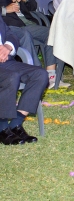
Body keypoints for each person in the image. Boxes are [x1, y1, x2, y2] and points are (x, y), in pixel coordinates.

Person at [0, 0, 63, 89]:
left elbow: (33, 5)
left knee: (52, 32)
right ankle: (36, 74)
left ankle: (50, 74)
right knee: (27, 34)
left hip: (27, 23)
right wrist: (6, 10)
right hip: (11, 27)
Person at [0, 17, 48, 145]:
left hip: (6, 62)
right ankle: (2, 128)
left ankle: (16, 124)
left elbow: (10, 34)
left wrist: (7, 46)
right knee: (12, 76)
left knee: (40, 74)